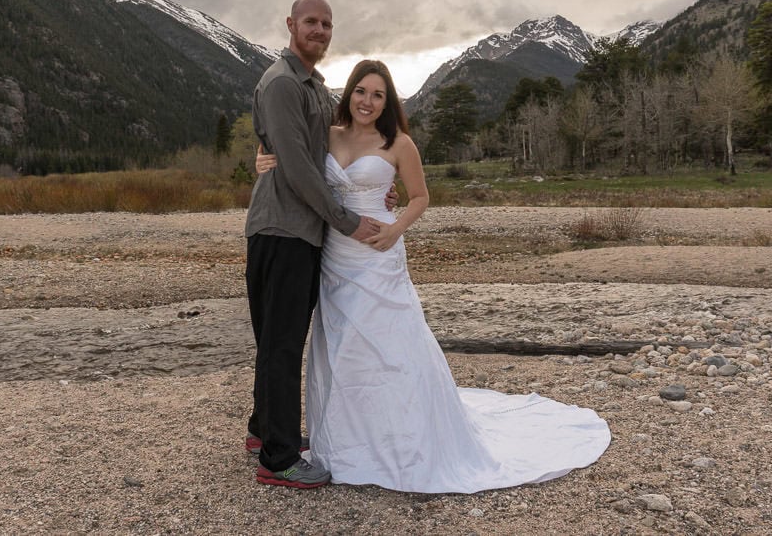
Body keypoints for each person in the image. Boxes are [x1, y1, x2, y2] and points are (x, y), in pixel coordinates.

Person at [257, 60, 611, 493]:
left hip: (378, 254)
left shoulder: (398, 143)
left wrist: (394, 229)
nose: (367, 101)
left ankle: (401, 438)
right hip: (335, 253)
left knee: (387, 340)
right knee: (340, 343)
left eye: (378, 95)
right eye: (361, 92)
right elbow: (291, 152)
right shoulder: (328, 135)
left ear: (388, 102)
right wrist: (261, 158)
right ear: (349, 93)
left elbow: (420, 197)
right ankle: (345, 437)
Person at [244, 0, 389, 490]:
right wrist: (344, 219)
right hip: (284, 228)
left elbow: (318, 148)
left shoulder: (312, 84)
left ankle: (264, 430)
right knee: (282, 344)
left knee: (276, 339)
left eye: (327, 24)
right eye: (312, 22)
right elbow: (300, 167)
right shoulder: (284, 82)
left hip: (298, 229)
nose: (321, 30)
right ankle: (279, 459)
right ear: (290, 24)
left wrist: (377, 176)